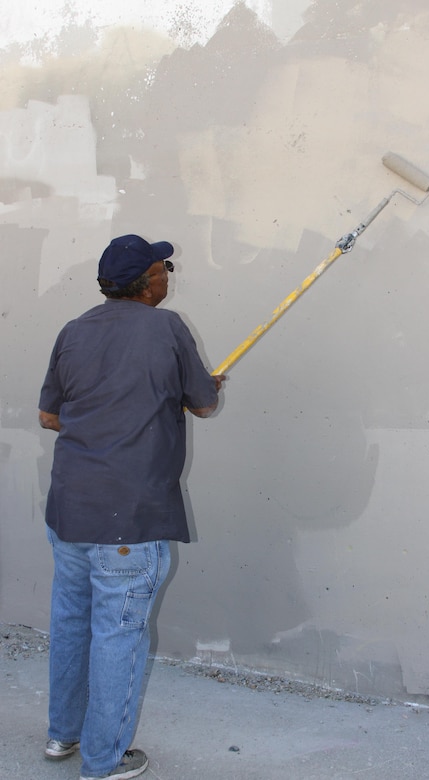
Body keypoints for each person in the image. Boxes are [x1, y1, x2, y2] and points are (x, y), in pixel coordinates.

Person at [38, 234, 225, 780]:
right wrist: (201, 386)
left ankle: (62, 737)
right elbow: (205, 403)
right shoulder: (167, 328)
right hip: (128, 517)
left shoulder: (73, 332)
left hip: (69, 510)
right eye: (164, 266)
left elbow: (50, 417)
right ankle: (102, 761)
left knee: (72, 623)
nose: (170, 272)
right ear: (147, 283)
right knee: (120, 632)